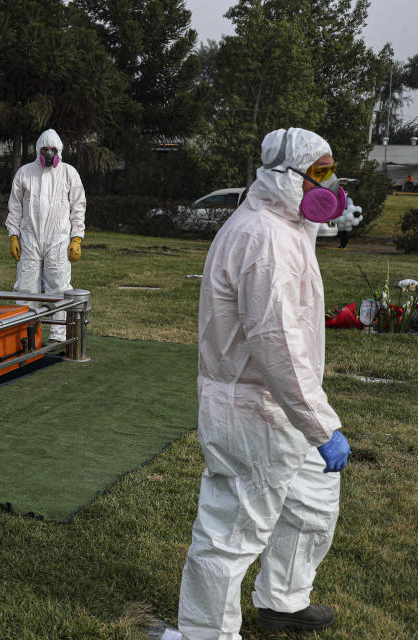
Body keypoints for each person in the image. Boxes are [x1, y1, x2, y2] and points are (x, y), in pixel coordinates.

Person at [178, 127, 351, 638]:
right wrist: (321, 425)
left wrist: (309, 421)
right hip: (252, 406)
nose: (331, 183)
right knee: (231, 530)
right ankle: (205, 631)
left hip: (280, 408)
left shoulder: (287, 223)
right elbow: (278, 344)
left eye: (329, 170)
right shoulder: (265, 239)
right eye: (320, 173)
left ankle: (284, 601)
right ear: (286, 175)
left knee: (314, 501)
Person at [5, 129, 85, 343]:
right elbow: (15, 206)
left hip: (58, 238)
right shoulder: (25, 172)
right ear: (38, 150)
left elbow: (78, 207)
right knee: (26, 287)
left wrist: (76, 238)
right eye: (44, 149)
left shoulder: (69, 173)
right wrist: (13, 235)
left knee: (58, 287)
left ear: (59, 150)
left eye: (52, 150)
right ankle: (25, 335)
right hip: (29, 238)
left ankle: (58, 336)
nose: (48, 153)